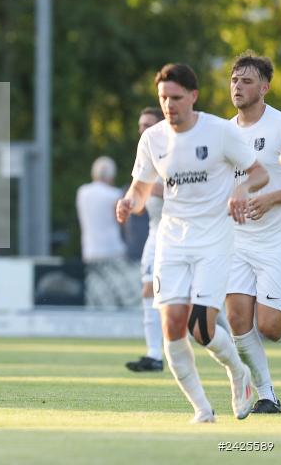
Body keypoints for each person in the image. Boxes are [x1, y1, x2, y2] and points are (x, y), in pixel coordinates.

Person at [116, 63, 268, 423]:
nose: (169, 105)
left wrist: (241, 189)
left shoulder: (218, 131)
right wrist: (129, 202)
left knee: (201, 328)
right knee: (171, 326)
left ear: (193, 96)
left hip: (214, 240)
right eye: (163, 98)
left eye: (176, 97)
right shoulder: (152, 139)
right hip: (171, 240)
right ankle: (202, 409)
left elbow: (258, 173)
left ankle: (239, 374)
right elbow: (140, 188)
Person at [225, 52, 281, 414]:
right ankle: (266, 395)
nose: (238, 86)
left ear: (264, 88)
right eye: (235, 80)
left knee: (270, 326)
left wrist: (270, 199)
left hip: (279, 243)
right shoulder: (223, 132)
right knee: (237, 319)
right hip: (237, 242)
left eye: (247, 81)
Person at [125, 107, 165, 373]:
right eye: (140, 125)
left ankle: (230, 338)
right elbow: (140, 202)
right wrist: (129, 203)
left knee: (194, 306)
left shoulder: (176, 150)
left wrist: (148, 188)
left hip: (183, 234)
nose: (142, 130)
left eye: (147, 125)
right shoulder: (144, 156)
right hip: (155, 233)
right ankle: (154, 355)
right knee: (148, 290)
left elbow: (187, 190)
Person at [77, 156, 125, 262]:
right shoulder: (115, 194)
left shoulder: (82, 192)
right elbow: (121, 220)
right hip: (113, 249)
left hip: (90, 250)